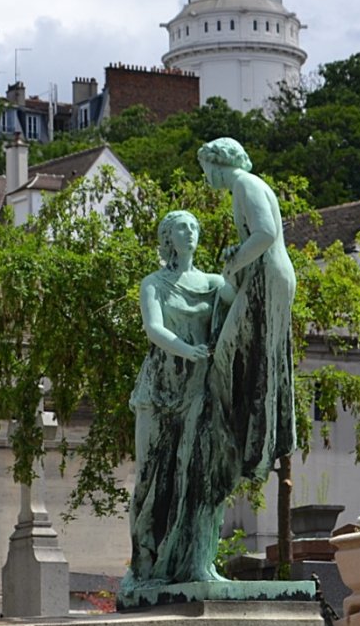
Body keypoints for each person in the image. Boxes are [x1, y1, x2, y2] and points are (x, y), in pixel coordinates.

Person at [122, 210, 233, 598]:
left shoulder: (214, 283)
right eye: (181, 228)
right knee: (152, 476)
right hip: (159, 389)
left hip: (199, 389)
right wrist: (189, 350)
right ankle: (145, 566)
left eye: (195, 227)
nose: (190, 233)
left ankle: (194, 560)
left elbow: (243, 302)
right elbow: (155, 330)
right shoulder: (153, 283)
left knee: (197, 474)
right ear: (167, 237)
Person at [197, 137, 298, 488]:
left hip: (268, 278)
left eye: (206, 169)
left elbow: (266, 233)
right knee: (255, 357)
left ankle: (251, 445)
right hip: (264, 277)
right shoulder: (247, 185)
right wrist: (236, 255)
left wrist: (234, 260)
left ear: (217, 163)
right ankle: (253, 442)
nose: (205, 177)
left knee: (234, 354)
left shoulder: (243, 183)